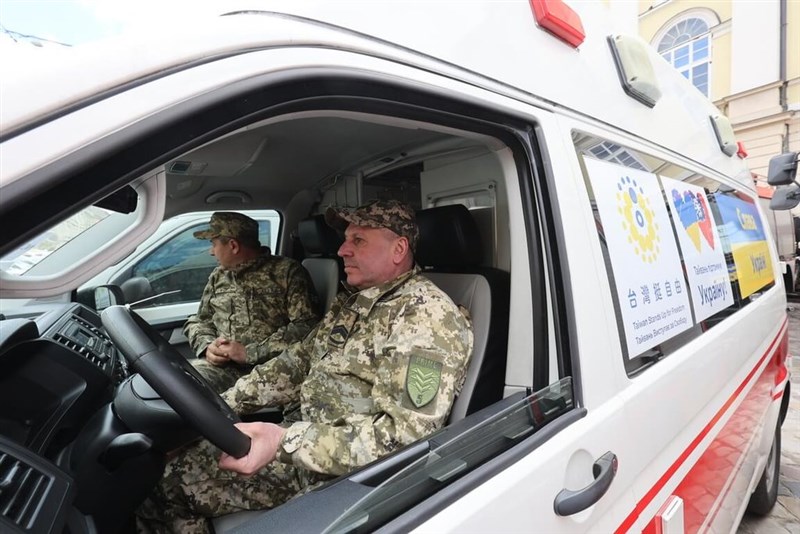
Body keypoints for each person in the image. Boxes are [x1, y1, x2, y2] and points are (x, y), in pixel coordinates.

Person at [136, 200, 474, 533]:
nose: (342, 250)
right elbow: (297, 362)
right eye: (346, 239)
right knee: (162, 479)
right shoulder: (358, 303)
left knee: (170, 486)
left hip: (350, 481)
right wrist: (219, 409)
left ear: (398, 249)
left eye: (358, 240)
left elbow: (403, 442)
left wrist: (284, 442)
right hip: (306, 449)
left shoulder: (426, 319)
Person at [184, 211, 320, 392]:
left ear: (233, 245)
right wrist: (207, 346)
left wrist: (250, 353)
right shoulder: (219, 276)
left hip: (274, 368)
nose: (211, 251)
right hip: (226, 369)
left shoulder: (287, 272)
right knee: (178, 381)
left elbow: (307, 327)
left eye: (214, 244)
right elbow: (200, 320)